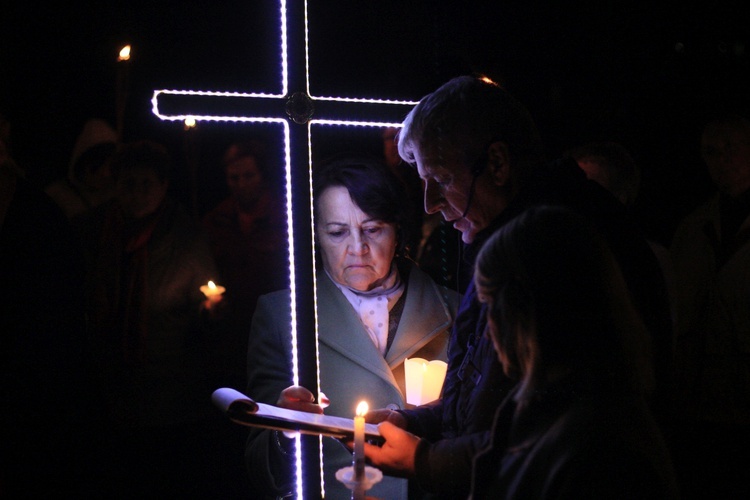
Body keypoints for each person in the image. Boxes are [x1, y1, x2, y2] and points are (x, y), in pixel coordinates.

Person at [361, 75, 674, 498]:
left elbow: (547, 431)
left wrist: (423, 459)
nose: (429, 203)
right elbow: (493, 403)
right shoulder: (506, 236)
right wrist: (414, 424)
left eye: (442, 178)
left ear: (497, 164)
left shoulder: (555, 248)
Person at [244, 155, 460, 499]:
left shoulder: (456, 308)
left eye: (372, 229)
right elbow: (260, 466)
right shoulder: (281, 316)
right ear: (316, 234)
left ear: (398, 232)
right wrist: (284, 431)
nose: (357, 248)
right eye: (337, 232)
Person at [468, 205, 678, 499]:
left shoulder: (598, 452)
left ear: (525, 313)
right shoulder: (566, 414)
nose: (489, 331)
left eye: (490, 305)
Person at [74, 140, 221, 496]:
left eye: (146, 185)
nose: (136, 194)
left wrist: (209, 310)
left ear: (163, 186)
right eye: (128, 184)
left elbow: (209, 317)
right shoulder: (92, 231)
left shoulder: (185, 237)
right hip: (106, 385)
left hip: (169, 392)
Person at [668, 113, 750, 498]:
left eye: (729, 149)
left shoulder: (697, 229)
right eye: (710, 153)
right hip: (697, 409)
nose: (720, 161)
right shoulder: (694, 229)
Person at [201, 138, 289, 391]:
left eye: (248, 175)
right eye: (234, 177)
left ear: (262, 174)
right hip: (231, 334)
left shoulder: (285, 215)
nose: (241, 184)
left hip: (276, 328)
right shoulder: (217, 220)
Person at [44, 118, 118, 219]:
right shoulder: (57, 197)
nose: (105, 173)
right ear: (82, 163)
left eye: (110, 165)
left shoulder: (117, 194)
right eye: (97, 165)